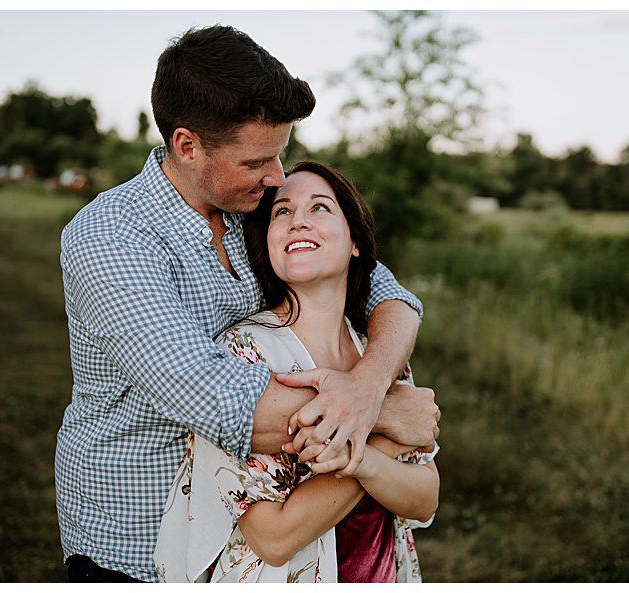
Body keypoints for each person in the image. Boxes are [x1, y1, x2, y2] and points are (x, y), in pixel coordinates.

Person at [56, 25, 439, 582]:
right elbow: (221, 403)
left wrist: (370, 380)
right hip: (139, 540)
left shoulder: (254, 207)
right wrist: (386, 414)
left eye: (280, 155)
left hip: (254, 547)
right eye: (259, 160)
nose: (277, 177)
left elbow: (386, 291)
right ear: (187, 146)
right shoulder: (112, 239)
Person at [154, 161, 439, 582]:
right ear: (267, 243)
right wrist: (381, 438)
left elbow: (425, 499)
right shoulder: (242, 353)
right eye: (281, 212)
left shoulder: (378, 353)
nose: (298, 221)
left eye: (320, 208)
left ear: (355, 242)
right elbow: (274, 537)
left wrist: (361, 458)